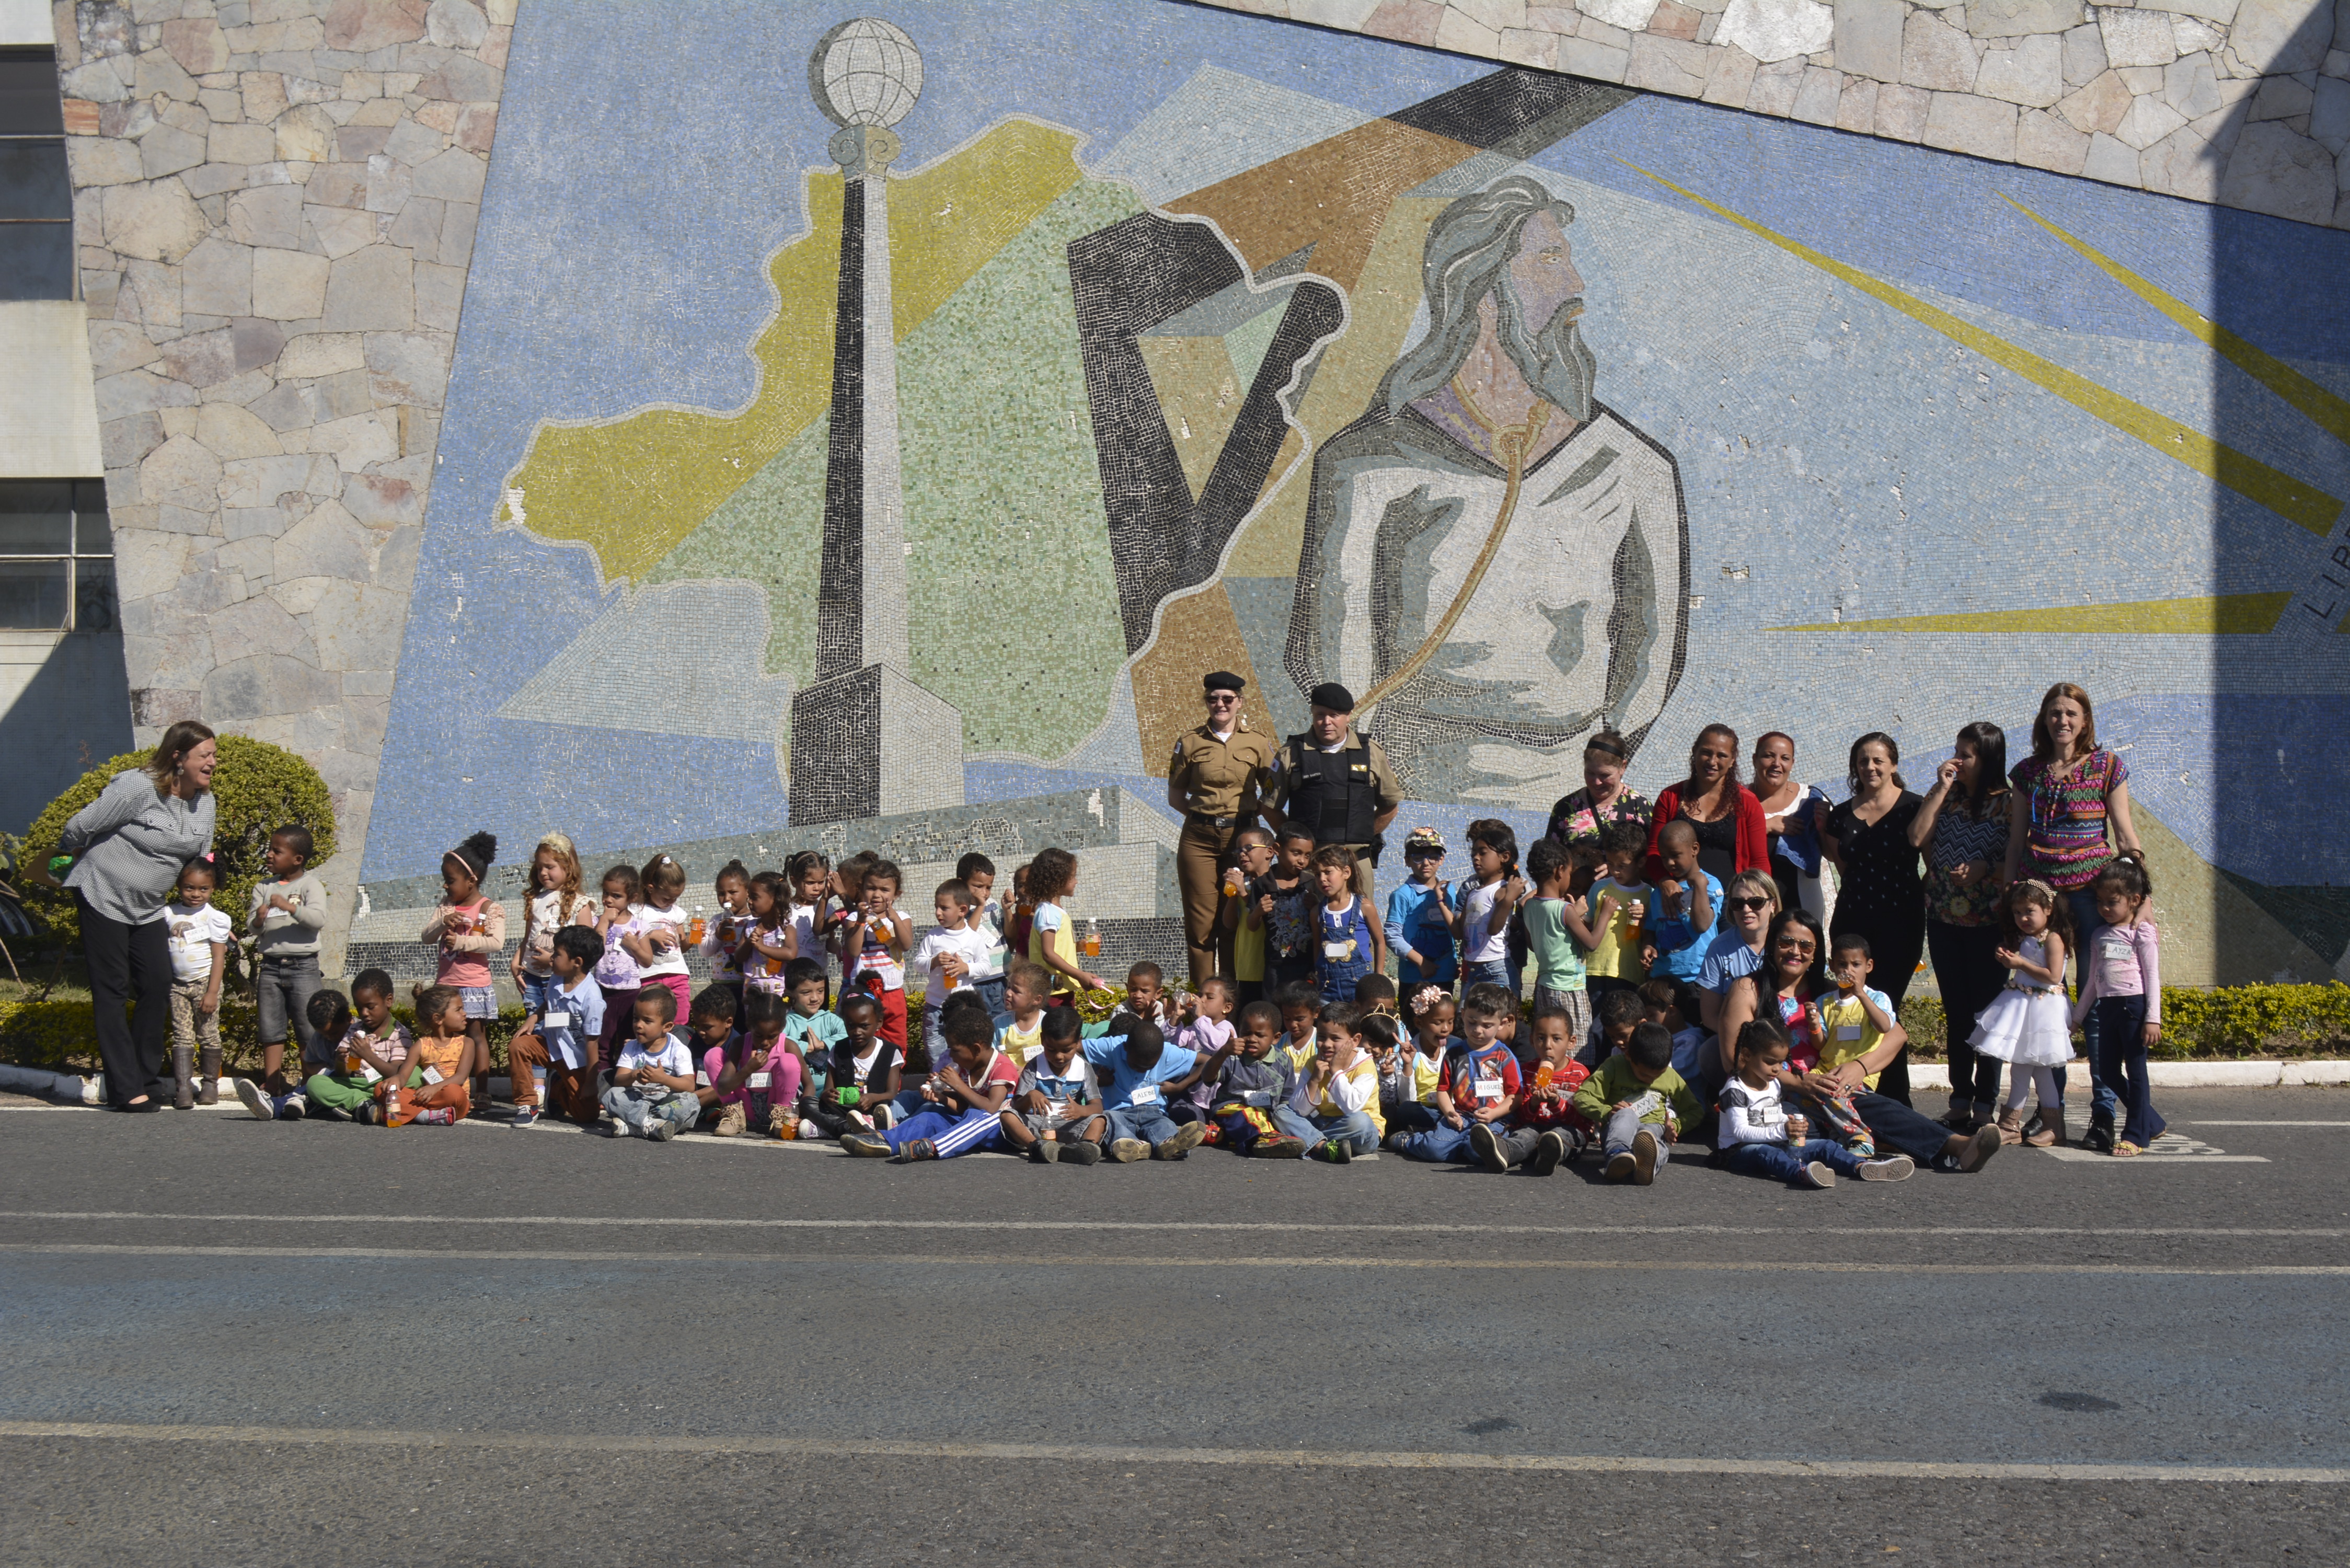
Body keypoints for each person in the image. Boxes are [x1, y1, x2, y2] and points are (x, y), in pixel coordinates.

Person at [1283, 178, 1688, 806]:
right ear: (1480, 286)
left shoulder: (1631, 467)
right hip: (1409, 779)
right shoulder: (1367, 463)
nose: (1575, 285)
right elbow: (1333, 648)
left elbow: (1651, 644)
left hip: (1565, 786)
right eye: (1549, 260)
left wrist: (1601, 766)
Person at [2003, 682, 2141, 1151]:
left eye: (2071, 713)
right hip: (2042, 903)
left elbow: (2123, 832)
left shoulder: (2108, 767)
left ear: (2085, 720)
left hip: (2092, 897)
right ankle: (2051, 1113)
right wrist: (2009, 892)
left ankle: (2102, 1114)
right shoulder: (2026, 773)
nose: (2062, 720)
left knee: (2095, 1006)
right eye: (2054, 713)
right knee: (2047, 1004)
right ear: (2044, 719)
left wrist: (2140, 892)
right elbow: (2017, 838)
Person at [53, 720, 218, 1111]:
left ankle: (145, 1075)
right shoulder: (138, 787)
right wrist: (63, 864)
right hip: (102, 893)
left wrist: (202, 907)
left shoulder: (205, 801)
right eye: (205, 755)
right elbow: (79, 826)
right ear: (178, 758)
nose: (213, 762)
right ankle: (126, 1088)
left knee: (157, 983)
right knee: (111, 988)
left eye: (214, 755)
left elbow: (202, 858)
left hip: (148, 906)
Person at [1908, 721, 2012, 1132]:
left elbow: (2020, 860)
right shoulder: (1947, 799)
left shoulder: (2008, 803)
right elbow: (1917, 838)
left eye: (1967, 754)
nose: (1958, 760)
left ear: (1987, 759)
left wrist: (1988, 869)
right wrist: (1940, 788)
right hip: (1944, 917)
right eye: (1957, 751)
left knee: (1987, 1014)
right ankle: (1959, 1097)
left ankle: (1986, 1101)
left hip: (1989, 920)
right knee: (1956, 1012)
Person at [1819, 733, 1926, 1102]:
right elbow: (1843, 867)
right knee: (1852, 1009)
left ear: (1894, 764)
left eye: (1878, 760)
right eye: (1863, 761)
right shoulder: (1841, 815)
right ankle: (1854, 1097)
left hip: (1901, 922)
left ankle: (1897, 1102)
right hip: (1852, 923)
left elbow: (1932, 858)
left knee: (1885, 1009)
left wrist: (1918, 896)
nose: (1870, 767)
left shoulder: (1915, 807)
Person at [1167, 670, 1278, 987]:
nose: (1220, 704)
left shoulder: (1257, 743)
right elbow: (1176, 797)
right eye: (1213, 699)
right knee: (1201, 925)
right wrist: (1208, 815)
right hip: (1199, 841)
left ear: (1240, 702)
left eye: (1228, 699)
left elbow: (1271, 791)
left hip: (1240, 842)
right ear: (1206, 702)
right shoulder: (1189, 742)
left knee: (1233, 917)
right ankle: (1204, 999)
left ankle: (1232, 996)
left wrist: (1247, 814)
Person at [1717, 1020, 1914, 1188]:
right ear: (1747, 1055)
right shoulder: (1735, 1090)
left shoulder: (1773, 1083)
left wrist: (1790, 1121)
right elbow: (1741, 1133)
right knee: (1769, 1155)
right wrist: (1783, 1131)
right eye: (1770, 1062)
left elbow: (1773, 1114)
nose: (1777, 1069)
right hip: (1737, 1151)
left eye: (1781, 1062)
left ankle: (1862, 1167)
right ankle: (1803, 1174)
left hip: (1775, 1141)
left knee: (1825, 1146)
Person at [1264, 683, 1402, 901]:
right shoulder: (1291, 754)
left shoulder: (1371, 753)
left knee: (1360, 927)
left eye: (1334, 715)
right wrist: (1297, 846)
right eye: (1320, 715)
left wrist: (1365, 833)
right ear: (1312, 714)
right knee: (1308, 930)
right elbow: (1269, 807)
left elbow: (1390, 806)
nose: (1326, 722)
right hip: (1312, 866)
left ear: (1348, 716)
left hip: (1356, 863)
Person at [842, 1003, 1023, 1161]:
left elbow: (990, 1108)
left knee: (977, 1116)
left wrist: (957, 1085)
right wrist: (942, 1098)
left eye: (955, 1050)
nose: (950, 1055)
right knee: (929, 1117)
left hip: (994, 1130)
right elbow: (964, 1106)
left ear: (976, 1049)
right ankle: (883, 1140)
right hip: (966, 1123)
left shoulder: (1002, 1067)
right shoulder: (966, 1065)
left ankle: (928, 1146)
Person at [1974, 880, 2076, 1148]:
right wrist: (2009, 956)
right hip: (2023, 1007)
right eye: (2018, 913)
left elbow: (2053, 976)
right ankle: (2049, 1126)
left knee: (2026, 1070)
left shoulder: (2053, 939)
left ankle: (2013, 1125)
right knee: (2033, 1072)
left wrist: (2020, 963)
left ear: (2049, 909)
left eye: (2029, 911)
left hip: (2042, 1010)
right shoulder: (2028, 939)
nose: (2023, 918)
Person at [2077, 859, 2167, 1156]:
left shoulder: (2142, 932)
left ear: (2135, 901)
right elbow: (2093, 979)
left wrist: (2153, 1019)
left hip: (2133, 1007)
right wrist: (2078, 1016)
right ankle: (2151, 1121)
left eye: (2112, 902)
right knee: (2109, 1073)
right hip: (2107, 1008)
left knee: (2137, 1072)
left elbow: (2153, 976)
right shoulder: (2098, 935)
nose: (2104, 908)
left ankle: (2136, 1136)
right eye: (2100, 902)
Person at [1390, 987, 1520, 1163]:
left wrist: (1495, 1113)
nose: (1478, 1030)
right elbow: (1443, 1090)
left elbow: (1516, 1096)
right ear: (1464, 1015)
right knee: (1434, 1150)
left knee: (1479, 1151)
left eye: (1487, 1025)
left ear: (1502, 1024)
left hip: (1495, 1121)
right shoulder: (1453, 1054)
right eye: (1472, 1022)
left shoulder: (1504, 1056)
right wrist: (1450, 1113)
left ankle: (1460, 1147)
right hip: (1461, 1117)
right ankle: (1410, 1141)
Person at [421, 831, 502, 1112]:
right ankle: (443, 1084)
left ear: (472, 881)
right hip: (446, 985)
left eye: (451, 880)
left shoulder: (489, 908)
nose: (445, 885)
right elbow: (426, 936)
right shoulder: (446, 907)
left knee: (475, 1036)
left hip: (473, 984)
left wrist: (463, 941)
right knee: (442, 1037)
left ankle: (482, 1091)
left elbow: (496, 942)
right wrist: (444, 922)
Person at [248, 824, 329, 1098]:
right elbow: (253, 928)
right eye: (270, 849)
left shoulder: (310, 885)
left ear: (298, 859)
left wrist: (289, 907)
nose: (269, 855)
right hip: (271, 966)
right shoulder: (263, 887)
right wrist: (259, 918)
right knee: (271, 1028)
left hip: (304, 966)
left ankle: (310, 1086)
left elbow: (318, 920)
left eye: (276, 851)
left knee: (308, 1028)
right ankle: (271, 1084)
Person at [1574, 1020, 1698, 1185]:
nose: (1651, 1080)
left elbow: (1695, 1110)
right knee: (1626, 1114)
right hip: (1618, 1129)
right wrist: (1607, 1112)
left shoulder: (1670, 1076)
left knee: (1652, 1136)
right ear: (1628, 1056)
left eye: (1658, 1075)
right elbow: (1582, 1097)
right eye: (1645, 1075)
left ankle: (1647, 1165)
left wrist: (1676, 1125)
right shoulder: (1614, 1066)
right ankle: (1618, 1155)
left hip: (1653, 1127)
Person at [507, 925, 605, 1128]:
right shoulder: (556, 978)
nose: (552, 958)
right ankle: (527, 1104)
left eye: (557, 954)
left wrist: (590, 1083)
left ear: (577, 962)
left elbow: (592, 1043)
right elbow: (547, 1003)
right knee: (518, 1046)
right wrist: (533, 1018)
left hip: (574, 1058)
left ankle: (557, 1089)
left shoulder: (592, 998)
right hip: (550, 1044)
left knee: (587, 1116)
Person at [1476, 1000, 1589, 1175]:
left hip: (1567, 1128)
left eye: (1557, 1039)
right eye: (1541, 1038)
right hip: (1534, 1125)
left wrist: (1556, 1102)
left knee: (1562, 1136)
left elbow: (1581, 1120)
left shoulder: (1579, 1074)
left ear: (1571, 1042)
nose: (1548, 1045)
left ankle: (1550, 1155)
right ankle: (1503, 1152)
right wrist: (1535, 1101)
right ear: (1532, 1040)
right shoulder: (1527, 1070)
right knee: (1524, 1135)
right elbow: (1520, 1114)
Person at [1646, 724, 1768, 886]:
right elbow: (1654, 852)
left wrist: (1761, 898)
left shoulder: (1748, 803)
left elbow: (1759, 861)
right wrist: (1665, 881)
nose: (1712, 762)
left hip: (1732, 904)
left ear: (1732, 761)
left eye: (1722, 756)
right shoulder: (1669, 798)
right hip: (1679, 900)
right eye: (1706, 752)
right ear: (1694, 752)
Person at [1082, 1020, 1207, 1162]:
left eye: (1148, 1067)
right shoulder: (1113, 1047)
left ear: (1161, 1054)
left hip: (1153, 1112)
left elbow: (1207, 1061)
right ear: (1126, 1048)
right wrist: (1096, 1079)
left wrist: (1180, 1087)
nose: (1141, 1069)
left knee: (1163, 1124)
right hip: (1119, 1112)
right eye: (1136, 1065)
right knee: (1109, 1119)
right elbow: (1073, 1048)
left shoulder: (1169, 1052)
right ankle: (1131, 1145)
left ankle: (1169, 1144)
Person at [1200, 1000, 1312, 1158]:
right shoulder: (1232, 1057)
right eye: (1247, 1033)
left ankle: (1218, 1135)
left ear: (1276, 1038)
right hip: (1230, 1111)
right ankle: (1268, 1139)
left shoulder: (1283, 1061)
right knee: (1248, 1115)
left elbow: (1287, 1098)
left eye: (1260, 1035)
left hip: (1266, 1116)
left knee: (1272, 1117)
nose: (1252, 1039)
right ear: (1239, 1032)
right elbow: (1208, 1078)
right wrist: (1223, 1053)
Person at [162, 859, 231, 1110]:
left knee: (208, 1034)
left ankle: (211, 1084)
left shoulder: (216, 918)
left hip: (204, 984)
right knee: (182, 1035)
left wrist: (212, 992)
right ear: (179, 886)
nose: (196, 894)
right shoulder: (168, 914)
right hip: (177, 985)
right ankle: (183, 1087)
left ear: (213, 889)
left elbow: (219, 956)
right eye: (189, 888)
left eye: (204, 889)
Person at [999, 1004, 1108, 1164]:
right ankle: (1036, 1147)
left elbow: (1097, 1107)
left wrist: (1081, 1110)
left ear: (1078, 1042)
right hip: (1038, 1123)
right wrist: (1030, 1096)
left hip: (1069, 1123)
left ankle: (1085, 1147)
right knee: (1007, 1116)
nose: (1059, 1056)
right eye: (1051, 1049)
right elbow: (1017, 1108)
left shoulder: (1084, 1067)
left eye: (1066, 1050)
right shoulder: (1034, 1066)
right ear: (1043, 1040)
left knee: (1100, 1120)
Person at [691, 985, 800, 1139]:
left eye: (772, 1036)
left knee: (789, 1061)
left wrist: (801, 1112)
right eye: (759, 1035)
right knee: (713, 1055)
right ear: (749, 1026)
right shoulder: (740, 1044)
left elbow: (808, 1085)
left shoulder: (788, 1045)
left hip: (775, 1103)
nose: (765, 1042)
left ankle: (781, 1120)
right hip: (746, 1105)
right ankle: (734, 1118)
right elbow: (722, 1088)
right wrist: (748, 1069)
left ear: (782, 1028)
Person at [1293, 1002, 1386, 1163]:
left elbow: (1351, 1108)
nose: (1327, 1045)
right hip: (1322, 1123)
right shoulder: (1314, 1063)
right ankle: (1323, 1147)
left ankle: (1307, 1140)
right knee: (1282, 1112)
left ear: (1355, 1040)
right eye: (1322, 1037)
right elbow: (1299, 1110)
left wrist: (1336, 1072)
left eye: (1335, 1039)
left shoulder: (1365, 1065)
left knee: (1361, 1122)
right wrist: (1314, 1080)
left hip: (1357, 1131)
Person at [602, 988, 700, 1142]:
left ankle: (634, 1126)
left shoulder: (679, 1049)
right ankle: (652, 1125)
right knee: (612, 1095)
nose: (639, 1025)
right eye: (636, 1019)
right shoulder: (631, 1047)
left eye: (647, 1021)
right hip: (637, 1100)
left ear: (667, 1027)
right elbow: (619, 1081)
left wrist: (663, 1079)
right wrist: (634, 1075)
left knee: (691, 1102)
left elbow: (689, 1086)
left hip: (666, 1102)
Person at [1645, 819, 1720, 1021]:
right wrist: (1648, 947)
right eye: (1664, 857)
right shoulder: (1659, 892)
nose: (1669, 863)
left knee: (1695, 1033)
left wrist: (1700, 887)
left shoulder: (1711, 884)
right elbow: (1651, 928)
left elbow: (1702, 925)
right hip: (1662, 979)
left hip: (1697, 980)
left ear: (1695, 849)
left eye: (1675, 855)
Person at [1692, 870, 1779, 1043]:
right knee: (1708, 1053)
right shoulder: (1719, 948)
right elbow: (1710, 1016)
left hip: (1786, 1031)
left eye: (1756, 902)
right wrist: (1747, 1041)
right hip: (1739, 1038)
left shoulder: (1788, 941)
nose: (1746, 910)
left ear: (1773, 905)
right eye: (1737, 903)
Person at [514, 833, 594, 1020]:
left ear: (568, 866)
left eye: (550, 867)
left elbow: (587, 948)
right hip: (532, 977)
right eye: (540, 867)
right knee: (536, 1025)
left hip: (562, 979)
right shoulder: (535, 901)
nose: (543, 873)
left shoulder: (580, 903)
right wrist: (516, 961)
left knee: (560, 1024)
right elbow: (528, 938)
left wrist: (552, 960)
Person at [911, 878, 992, 1062]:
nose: (938, 912)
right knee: (935, 1052)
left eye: (944, 908)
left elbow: (986, 966)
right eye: (936, 907)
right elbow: (918, 964)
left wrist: (966, 968)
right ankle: (938, 1082)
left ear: (962, 910)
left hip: (963, 1005)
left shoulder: (973, 938)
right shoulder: (933, 937)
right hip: (936, 1005)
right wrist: (934, 961)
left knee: (965, 1051)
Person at [1750, 731, 1828, 919]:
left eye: (1785, 758)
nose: (1777, 764)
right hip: (1753, 910)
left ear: (1792, 763)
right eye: (1769, 756)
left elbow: (1834, 855)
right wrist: (1766, 826)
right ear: (1755, 759)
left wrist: (1823, 829)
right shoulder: (1740, 802)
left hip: (1804, 906)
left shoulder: (1810, 800)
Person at [807, 992, 901, 1139]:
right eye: (851, 1026)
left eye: (864, 1026)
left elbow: (892, 1093)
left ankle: (830, 1128)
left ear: (879, 1023)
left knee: (890, 1108)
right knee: (808, 1103)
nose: (857, 1032)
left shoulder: (890, 1052)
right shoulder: (838, 1050)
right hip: (845, 1110)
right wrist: (828, 1096)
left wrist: (872, 1098)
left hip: (874, 1109)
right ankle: (850, 1129)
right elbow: (827, 1090)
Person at [383, 984, 478, 1127]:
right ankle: (428, 1116)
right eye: (459, 1010)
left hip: (453, 1101)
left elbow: (460, 1078)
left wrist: (434, 1089)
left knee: (454, 1092)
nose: (464, 1013)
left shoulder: (466, 1043)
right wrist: (395, 1080)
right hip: (428, 1098)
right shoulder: (421, 1045)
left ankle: (414, 1113)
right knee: (382, 1089)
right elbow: (403, 1076)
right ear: (438, 1019)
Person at [1544, 729, 1653, 852]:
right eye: (1590, 773)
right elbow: (1550, 859)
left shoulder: (1639, 807)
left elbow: (1655, 857)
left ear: (1623, 767)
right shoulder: (1565, 808)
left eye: (1605, 775)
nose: (1597, 782)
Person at [1583, 820, 1653, 1006]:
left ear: (1641, 862)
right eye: (1611, 863)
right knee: (1595, 1026)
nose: (1614, 871)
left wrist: (1645, 916)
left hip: (1629, 972)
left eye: (1622, 865)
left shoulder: (1649, 895)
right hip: (1596, 970)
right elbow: (1584, 923)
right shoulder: (1600, 888)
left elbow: (1651, 934)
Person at [1023, 847, 1104, 1004]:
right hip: (1053, 991)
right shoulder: (1048, 912)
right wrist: (1080, 975)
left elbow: (1055, 950)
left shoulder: (1053, 911)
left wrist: (1077, 947)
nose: (1076, 881)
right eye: (1073, 876)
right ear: (1057, 879)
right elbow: (1048, 954)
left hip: (1061, 987)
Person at [1454, 818, 1526, 993]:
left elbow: (1494, 929)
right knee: (1466, 1017)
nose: (1476, 858)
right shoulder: (1472, 891)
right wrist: (1442, 903)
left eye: (1483, 852)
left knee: (1502, 1017)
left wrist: (1509, 899)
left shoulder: (1504, 890)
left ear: (1505, 857)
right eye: (1473, 853)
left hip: (1496, 968)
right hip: (1472, 969)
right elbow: (1460, 932)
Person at [1384, 826, 1457, 994]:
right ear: (1407, 861)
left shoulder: (1449, 891)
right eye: (1418, 857)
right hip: (1413, 978)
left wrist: (1456, 963)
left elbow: (1455, 929)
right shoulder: (1402, 895)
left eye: (1433, 857)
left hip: (1445, 975)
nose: (1426, 863)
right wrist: (1421, 962)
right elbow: (1392, 935)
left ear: (1442, 860)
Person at [1309, 844, 1379, 1005]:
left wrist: (1378, 978)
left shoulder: (1364, 907)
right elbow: (1317, 946)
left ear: (1346, 872)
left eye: (1328, 872)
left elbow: (1380, 942)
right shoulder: (1316, 913)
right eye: (1317, 874)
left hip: (1360, 985)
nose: (1322, 879)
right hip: (1328, 987)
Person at [1220, 828, 1277, 1006]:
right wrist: (1233, 892)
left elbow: (1266, 920)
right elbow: (1230, 923)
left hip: (1265, 969)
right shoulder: (1245, 885)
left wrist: (1244, 893)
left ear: (1270, 852)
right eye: (1238, 851)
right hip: (1245, 969)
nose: (1242, 854)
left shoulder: (1274, 884)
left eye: (1249, 848)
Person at [695, 858, 754, 1015]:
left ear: (748, 891)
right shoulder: (716, 920)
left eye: (733, 892)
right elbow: (705, 952)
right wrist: (718, 936)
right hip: (722, 985)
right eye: (721, 894)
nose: (727, 899)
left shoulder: (754, 920)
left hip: (748, 984)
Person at [957, 852, 1008, 1014]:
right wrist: (979, 907)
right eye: (978, 886)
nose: (984, 893)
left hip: (1000, 975)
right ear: (962, 883)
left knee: (1001, 1025)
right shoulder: (959, 909)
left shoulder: (992, 905)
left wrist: (1007, 911)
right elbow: (966, 937)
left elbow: (1008, 935)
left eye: (989, 887)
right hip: (977, 980)